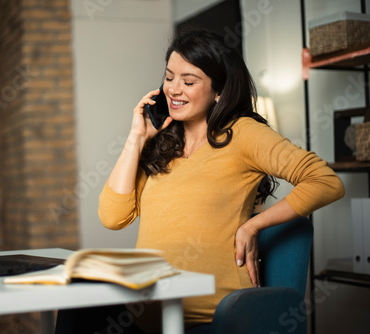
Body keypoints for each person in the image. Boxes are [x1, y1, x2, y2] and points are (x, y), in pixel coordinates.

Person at [95, 29, 345, 334]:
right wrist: (136, 138)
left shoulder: (243, 134)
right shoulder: (162, 141)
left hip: (211, 318)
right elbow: (113, 217)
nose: (173, 89)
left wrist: (253, 225)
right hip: (145, 315)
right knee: (79, 314)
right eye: (169, 77)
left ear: (219, 91)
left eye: (188, 82)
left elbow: (325, 181)